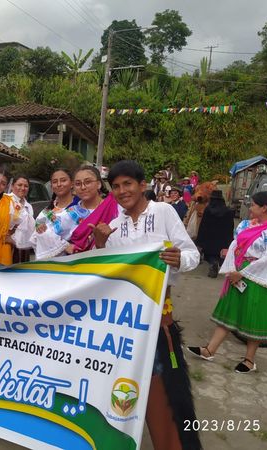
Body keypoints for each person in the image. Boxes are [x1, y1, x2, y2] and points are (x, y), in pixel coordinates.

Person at [88, 160, 202, 450]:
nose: (122, 191)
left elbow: (192, 254)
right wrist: (100, 245)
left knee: (164, 385)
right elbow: (108, 271)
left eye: (128, 184)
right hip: (125, 319)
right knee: (125, 381)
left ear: (142, 185)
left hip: (158, 314)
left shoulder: (162, 212)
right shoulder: (114, 226)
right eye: (116, 186)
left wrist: (180, 258)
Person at [187, 191, 267, 373]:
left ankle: (249, 361)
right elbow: (237, 244)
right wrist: (231, 264)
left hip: (258, 276)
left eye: (253, 205)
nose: (250, 208)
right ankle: (209, 350)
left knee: (254, 317)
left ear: (264, 208)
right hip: (238, 272)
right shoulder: (247, 225)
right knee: (230, 311)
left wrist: (242, 274)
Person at [30, 168, 85, 260]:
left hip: (75, 259)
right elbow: (36, 237)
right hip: (49, 262)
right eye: (55, 182)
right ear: (52, 187)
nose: (59, 184)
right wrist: (41, 230)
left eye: (63, 180)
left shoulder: (82, 207)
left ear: (72, 183)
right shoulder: (45, 212)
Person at [196, 190, 235, 278]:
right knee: (219, 253)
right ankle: (218, 262)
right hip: (223, 237)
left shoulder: (208, 210)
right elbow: (231, 226)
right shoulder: (228, 211)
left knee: (210, 254)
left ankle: (213, 262)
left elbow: (203, 225)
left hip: (209, 237)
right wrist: (230, 239)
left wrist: (200, 239)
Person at [9, 175, 35, 263]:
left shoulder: (29, 206)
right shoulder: (6, 200)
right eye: (19, 185)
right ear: (12, 186)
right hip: (8, 245)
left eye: (26, 186)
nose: (23, 188)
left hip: (23, 247)